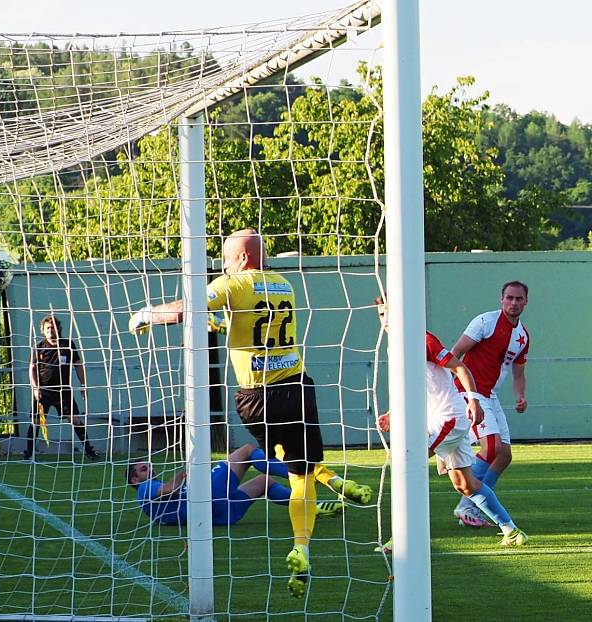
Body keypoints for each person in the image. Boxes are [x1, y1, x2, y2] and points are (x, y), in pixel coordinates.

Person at [129, 228, 372, 598]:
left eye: (225, 259)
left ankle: (329, 487)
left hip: (259, 396)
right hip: (298, 389)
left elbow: (188, 306)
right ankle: (302, 544)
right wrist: (222, 323)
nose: (222, 266)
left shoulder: (233, 283)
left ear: (241, 258)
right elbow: (253, 322)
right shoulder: (282, 283)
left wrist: (147, 313)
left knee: (263, 456)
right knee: (300, 474)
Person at [374, 299, 528, 549]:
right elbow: (411, 385)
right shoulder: (394, 346)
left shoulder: (423, 340)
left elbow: (460, 368)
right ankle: (511, 530)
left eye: (390, 312)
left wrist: (474, 401)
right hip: (440, 419)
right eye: (381, 314)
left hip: (449, 417)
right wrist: (393, 412)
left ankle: (401, 539)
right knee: (465, 485)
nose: (386, 319)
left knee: (407, 463)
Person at [450, 281, 529, 527]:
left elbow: (518, 372)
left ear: (526, 302)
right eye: (509, 298)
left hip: (490, 395)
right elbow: (456, 352)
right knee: (492, 445)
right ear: (501, 299)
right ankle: (467, 503)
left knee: (504, 454)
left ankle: (472, 507)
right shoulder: (485, 322)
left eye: (518, 299)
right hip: (470, 392)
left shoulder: (522, 336)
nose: (513, 303)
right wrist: (456, 389)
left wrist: (520, 396)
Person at [127, 443, 344, 527]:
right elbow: (168, 489)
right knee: (247, 451)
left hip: (218, 516)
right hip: (206, 500)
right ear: (134, 481)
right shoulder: (144, 490)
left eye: (149, 466)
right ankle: (306, 473)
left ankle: (309, 506)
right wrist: (186, 472)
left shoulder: (150, 497)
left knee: (264, 482)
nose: (151, 470)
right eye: (144, 469)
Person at [24, 314, 100, 461]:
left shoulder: (68, 345)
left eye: (53, 328)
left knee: (75, 419)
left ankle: (90, 452)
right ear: (43, 330)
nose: (50, 331)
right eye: (47, 328)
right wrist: (35, 388)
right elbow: (32, 368)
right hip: (43, 391)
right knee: (36, 421)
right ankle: (28, 455)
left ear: (59, 329)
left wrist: (83, 385)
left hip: (63, 391)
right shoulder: (39, 347)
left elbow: (78, 365)